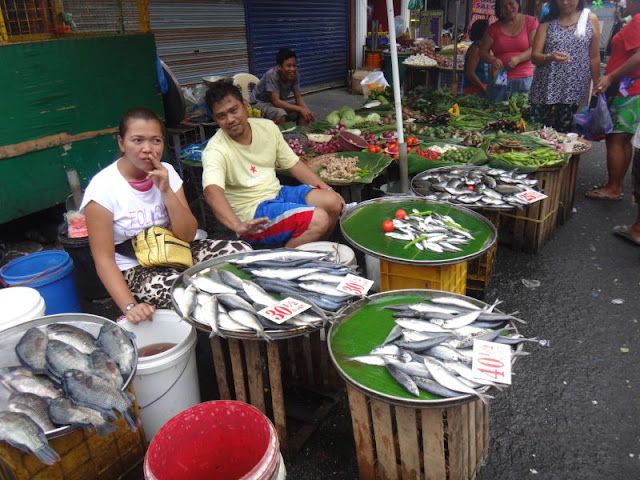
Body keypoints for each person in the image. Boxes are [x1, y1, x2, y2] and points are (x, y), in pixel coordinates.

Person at [81, 107, 251, 324]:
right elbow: (103, 259)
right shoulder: (102, 190)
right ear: (122, 143)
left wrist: (166, 190)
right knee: (191, 292)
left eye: (156, 141)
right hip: (136, 267)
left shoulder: (167, 172)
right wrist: (130, 306)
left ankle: (246, 311)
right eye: (137, 140)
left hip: (175, 250)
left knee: (240, 252)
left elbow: (187, 235)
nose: (147, 149)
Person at [202, 80, 345, 248]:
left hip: (277, 193)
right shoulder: (215, 150)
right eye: (222, 116)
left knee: (333, 202)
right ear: (215, 119)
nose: (230, 119)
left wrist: (329, 189)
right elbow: (212, 192)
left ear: (245, 105)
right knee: (318, 219)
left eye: (234, 110)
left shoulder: (267, 128)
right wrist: (237, 225)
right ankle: (281, 264)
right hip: (253, 211)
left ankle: (316, 249)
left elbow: (294, 165)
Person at [586, 0, 640, 201]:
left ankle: (614, 187)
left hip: (627, 90)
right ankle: (615, 184)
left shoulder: (638, 21)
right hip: (632, 90)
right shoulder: (634, 20)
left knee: (616, 139)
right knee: (624, 139)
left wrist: (610, 77)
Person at [529, 0, 600, 132]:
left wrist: (597, 84)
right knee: (537, 131)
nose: (565, 2)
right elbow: (534, 57)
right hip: (545, 88)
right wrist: (550, 57)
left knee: (565, 134)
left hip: (572, 89)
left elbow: (594, 56)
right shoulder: (547, 22)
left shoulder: (590, 19)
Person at [479, 0, 539, 103]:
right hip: (499, 79)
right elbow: (482, 52)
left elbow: (536, 48)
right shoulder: (493, 28)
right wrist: (492, 59)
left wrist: (519, 58)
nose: (508, 8)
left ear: (517, 3)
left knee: (522, 112)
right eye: (503, 6)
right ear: (499, 9)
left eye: (511, 3)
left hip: (524, 78)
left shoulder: (531, 22)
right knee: (497, 112)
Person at [249, 48, 315, 125]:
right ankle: (281, 136)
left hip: (275, 104)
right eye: (288, 66)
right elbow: (276, 102)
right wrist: (301, 108)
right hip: (258, 103)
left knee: (303, 114)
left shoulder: (294, 75)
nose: (292, 69)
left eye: (294, 65)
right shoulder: (272, 75)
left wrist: (306, 110)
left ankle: (300, 135)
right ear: (279, 67)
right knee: (280, 114)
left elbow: (298, 97)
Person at [463, 19, 491, 95]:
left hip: (484, 89)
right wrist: (483, 88)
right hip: (474, 91)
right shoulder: (475, 49)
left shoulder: (485, 48)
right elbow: (470, 73)